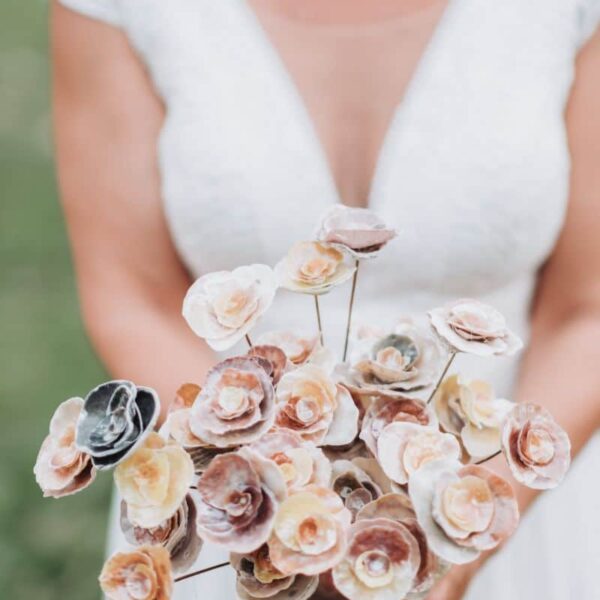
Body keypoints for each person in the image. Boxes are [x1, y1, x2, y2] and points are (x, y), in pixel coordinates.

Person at [52, 1, 600, 598]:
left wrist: (466, 530)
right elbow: (133, 295)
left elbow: (587, 309)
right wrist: (276, 520)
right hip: (230, 523)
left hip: (519, 506)